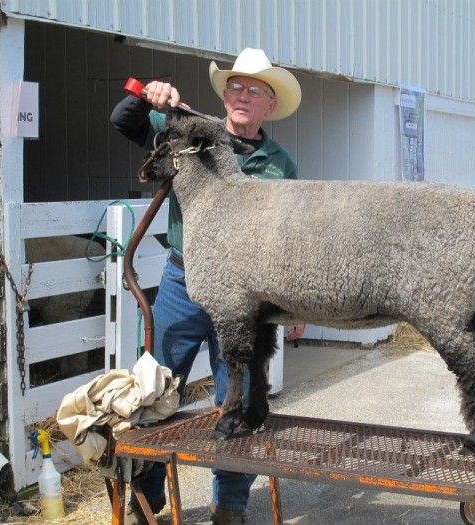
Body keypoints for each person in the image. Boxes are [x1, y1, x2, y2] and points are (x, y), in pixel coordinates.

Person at [110, 48, 305, 525]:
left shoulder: (282, 166)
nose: (242, 96)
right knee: (155, 388)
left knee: (236, 396)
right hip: (186, 276)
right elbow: (123, 120)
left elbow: (290, 237)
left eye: (254, 90)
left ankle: (231, 506)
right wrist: (153, 97)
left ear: (270, 105)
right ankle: (146, 502)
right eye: (236, 87)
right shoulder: (186, 131)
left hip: (248, 294)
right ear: (225, 95)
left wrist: (294, 303)